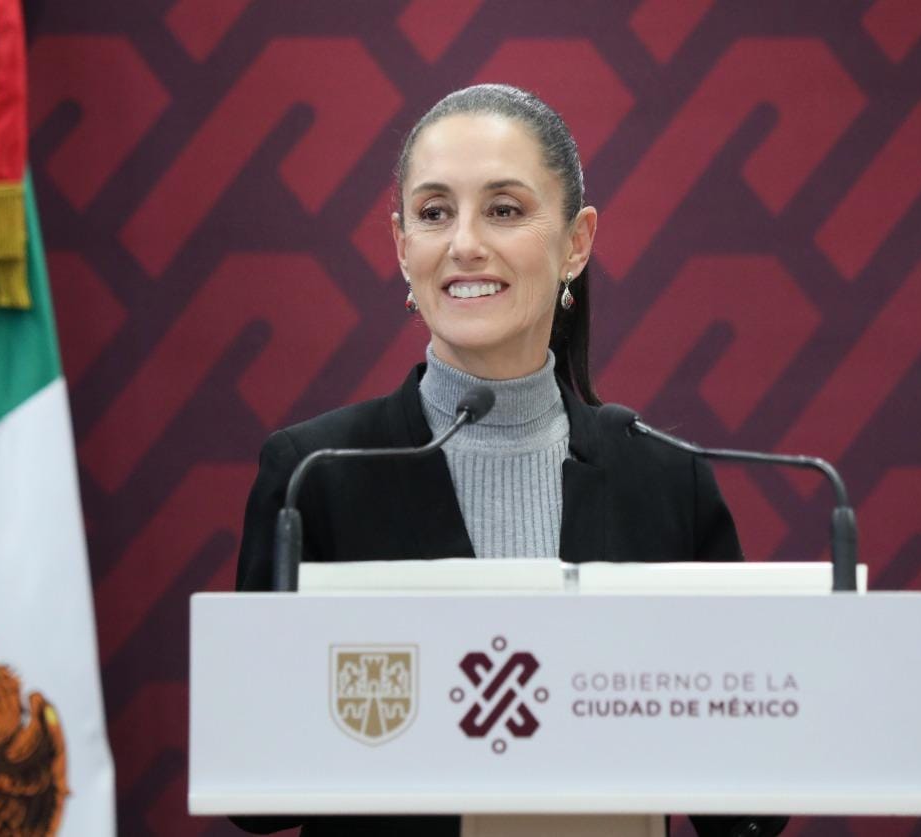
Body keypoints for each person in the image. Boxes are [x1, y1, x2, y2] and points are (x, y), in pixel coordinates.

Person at [233, 85, 786, 837]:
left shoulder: (663, 480)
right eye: (435, 213)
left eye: (503, 209)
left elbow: (748, 810)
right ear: (401, 246)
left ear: (577, 243)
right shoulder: (316, 476)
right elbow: (257, 797)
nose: (464, 243)